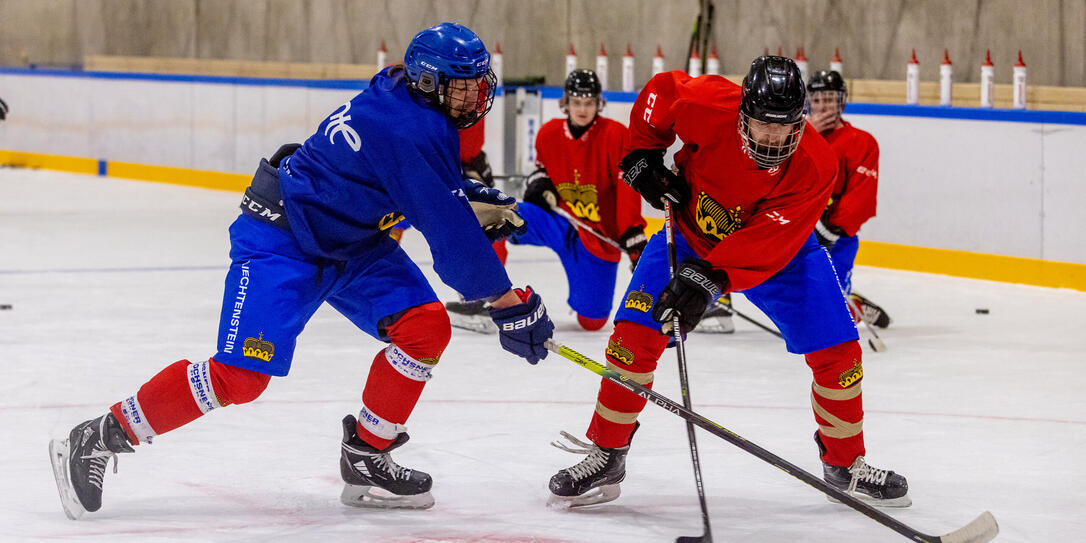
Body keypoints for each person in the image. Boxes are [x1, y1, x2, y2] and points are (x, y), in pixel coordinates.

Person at [48, 22, 555, 520]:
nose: (473, 98)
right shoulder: (411, 126)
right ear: (427, 81)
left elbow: (405, 182)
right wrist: (506, 302)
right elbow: (448, 238)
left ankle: (367, 455)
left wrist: (457, 196)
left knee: (425, 327)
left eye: (476, 84)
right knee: (240, 378)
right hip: (283, 240)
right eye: (461, 87)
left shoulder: (399, 87)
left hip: (351, 240)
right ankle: (100, 436)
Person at [547, 57, 909, 509]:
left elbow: (768, 243)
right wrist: (641, 154)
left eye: (785, 127)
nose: (774, 140)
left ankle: (845, 463)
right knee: (631, 339)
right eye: (763, 126)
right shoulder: (708, 101)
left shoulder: (817, 165)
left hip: (784, 255)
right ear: (742, 113)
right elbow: (659, 92)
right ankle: (607, 453)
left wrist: (708, 280)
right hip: (689, 235)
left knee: (839, 353)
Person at [447, 69, 647, 333]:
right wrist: (540, 185)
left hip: (596, 238)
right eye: (577, 102)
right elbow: (542, 170)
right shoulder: (549, 133)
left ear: (599, 103)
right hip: (558, 222)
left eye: (588, 103)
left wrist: (632, 234)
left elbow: (627, 190)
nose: (582, 109)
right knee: (498, 216)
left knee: (592, 321)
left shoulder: (616, 136)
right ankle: (485, 297)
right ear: (566, 103)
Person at [806, 70, 890, 328]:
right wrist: (805, 136)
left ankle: (850, 305)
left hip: (836, 238)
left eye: (830, 99)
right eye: (818, 100)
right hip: (794, 229)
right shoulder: (790, 137)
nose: (824, 106)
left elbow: (860, 199)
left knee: (828, 320)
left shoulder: (861, 142)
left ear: (841, 101)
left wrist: (830, 230)